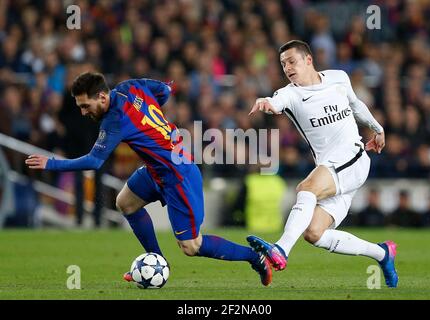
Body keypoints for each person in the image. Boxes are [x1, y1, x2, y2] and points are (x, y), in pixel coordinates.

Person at [25, 72, 272, 286]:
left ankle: (254, 257)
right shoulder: (131, 87)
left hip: (178, 176)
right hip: (157, 169)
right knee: (125, 202)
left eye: (85, 106)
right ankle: (156, 261)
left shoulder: (114, 120)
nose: (83, 112)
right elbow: (164, 90)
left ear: (102, 97)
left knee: (191, 246)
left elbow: (94, 161)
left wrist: (52, 163)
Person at [246, 40, 398, 288]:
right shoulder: (290, 94)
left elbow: (356, 104)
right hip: (332, 169)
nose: (288, 68)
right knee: (314, 233)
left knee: (306, 189)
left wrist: (377, 128)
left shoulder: (338, 78)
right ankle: (382, 253)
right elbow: (276, 102)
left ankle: (281, 250)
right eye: (283, 64)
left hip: (353, 158)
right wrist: (266, 102)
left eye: (292, 61)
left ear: (308, 60)